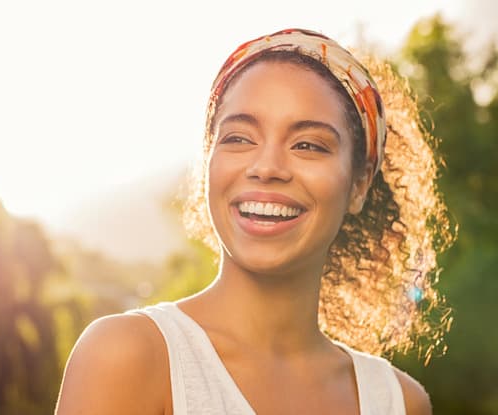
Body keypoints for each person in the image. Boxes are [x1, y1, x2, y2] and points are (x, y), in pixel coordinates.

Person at [55, 28, 453, 415]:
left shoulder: (398, 402)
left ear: (359, 183)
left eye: (308, 145)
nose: (266, 167)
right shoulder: (128, 357)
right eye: (239, 138)